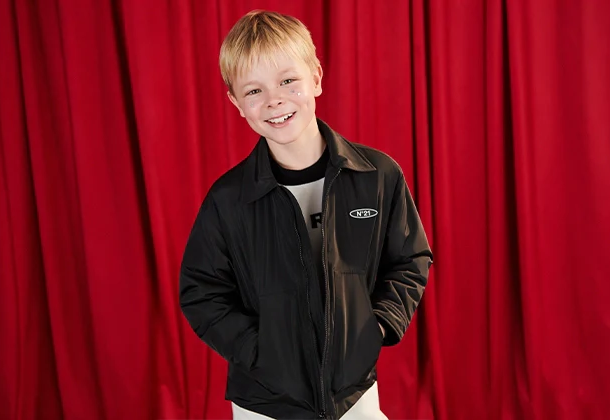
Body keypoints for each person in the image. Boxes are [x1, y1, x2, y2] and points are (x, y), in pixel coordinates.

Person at [179, 9, 433, 420]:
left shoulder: (376, 176)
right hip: (263, 403)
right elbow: (201, 293)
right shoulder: (228, 200)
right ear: (236, 103)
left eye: (287, 80)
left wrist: (378, 327)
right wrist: (259, 351)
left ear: (315, 77)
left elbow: (410, 259)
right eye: (253, 91)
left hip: (353, 394)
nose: (274, 100)